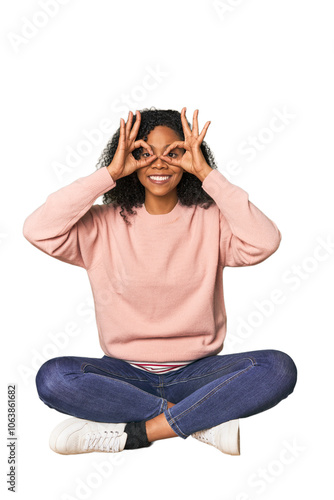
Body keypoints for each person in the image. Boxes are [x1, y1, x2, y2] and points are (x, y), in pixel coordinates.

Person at [22, 106, 297, 456]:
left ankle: (140, 432)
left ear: (190, 159)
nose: (159, 163)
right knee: (53, 378)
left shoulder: (211, 220)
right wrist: (107, 174)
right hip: (124, 375)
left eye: (175, 153)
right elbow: (37, 230)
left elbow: (265, 241)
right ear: (128, 158)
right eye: (143, 153)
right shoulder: (102, 224)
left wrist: (208, 175)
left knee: (277, 369)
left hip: (198, 374)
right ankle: (202, 421)